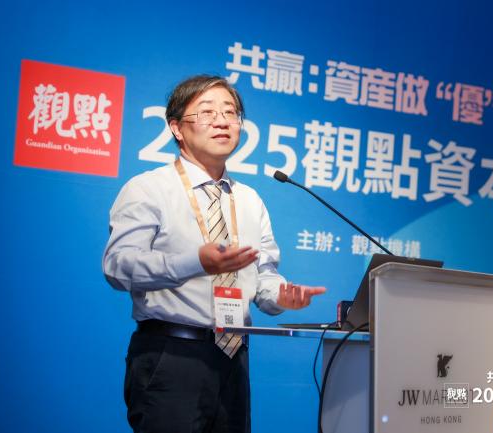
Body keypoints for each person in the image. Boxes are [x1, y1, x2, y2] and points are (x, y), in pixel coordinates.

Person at [102, 74, 326, 433]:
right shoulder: (148, 188)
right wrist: (196, 262)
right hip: (171, 356)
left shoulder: (250, 200)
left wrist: (280, 296)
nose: (222, 121)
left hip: (234, 358)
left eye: (230, 112)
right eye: (207, 112)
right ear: (176, 127)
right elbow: (117, 266)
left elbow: (264, 276)